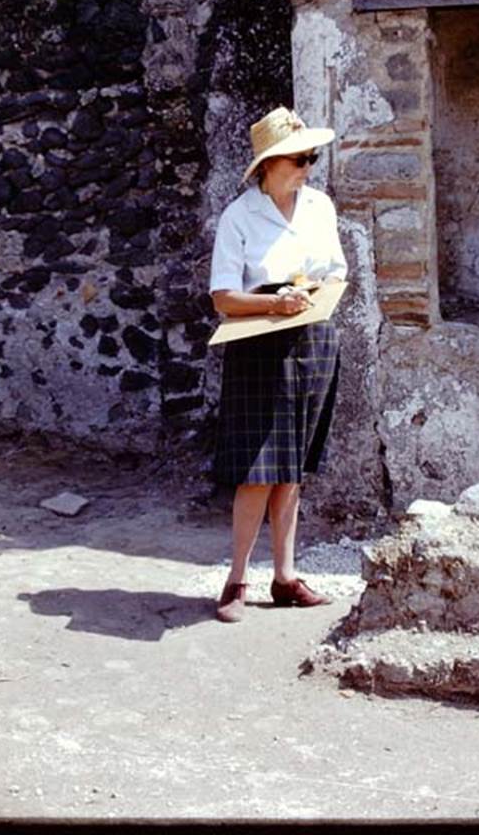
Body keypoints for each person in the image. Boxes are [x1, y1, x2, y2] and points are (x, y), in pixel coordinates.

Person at [209, 105, 347, 623]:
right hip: (260, 344)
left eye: (311, 157)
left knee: (291, 469)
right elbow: (223, 297)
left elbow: (335, 271)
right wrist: (273, 302)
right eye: (298, 158)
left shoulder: (319, 208)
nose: (307, 167)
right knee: (256, 470)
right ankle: (237, 578)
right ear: (267, 165)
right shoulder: (239, 217)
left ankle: (285, 577)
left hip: (312, 338)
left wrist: (310, 294)